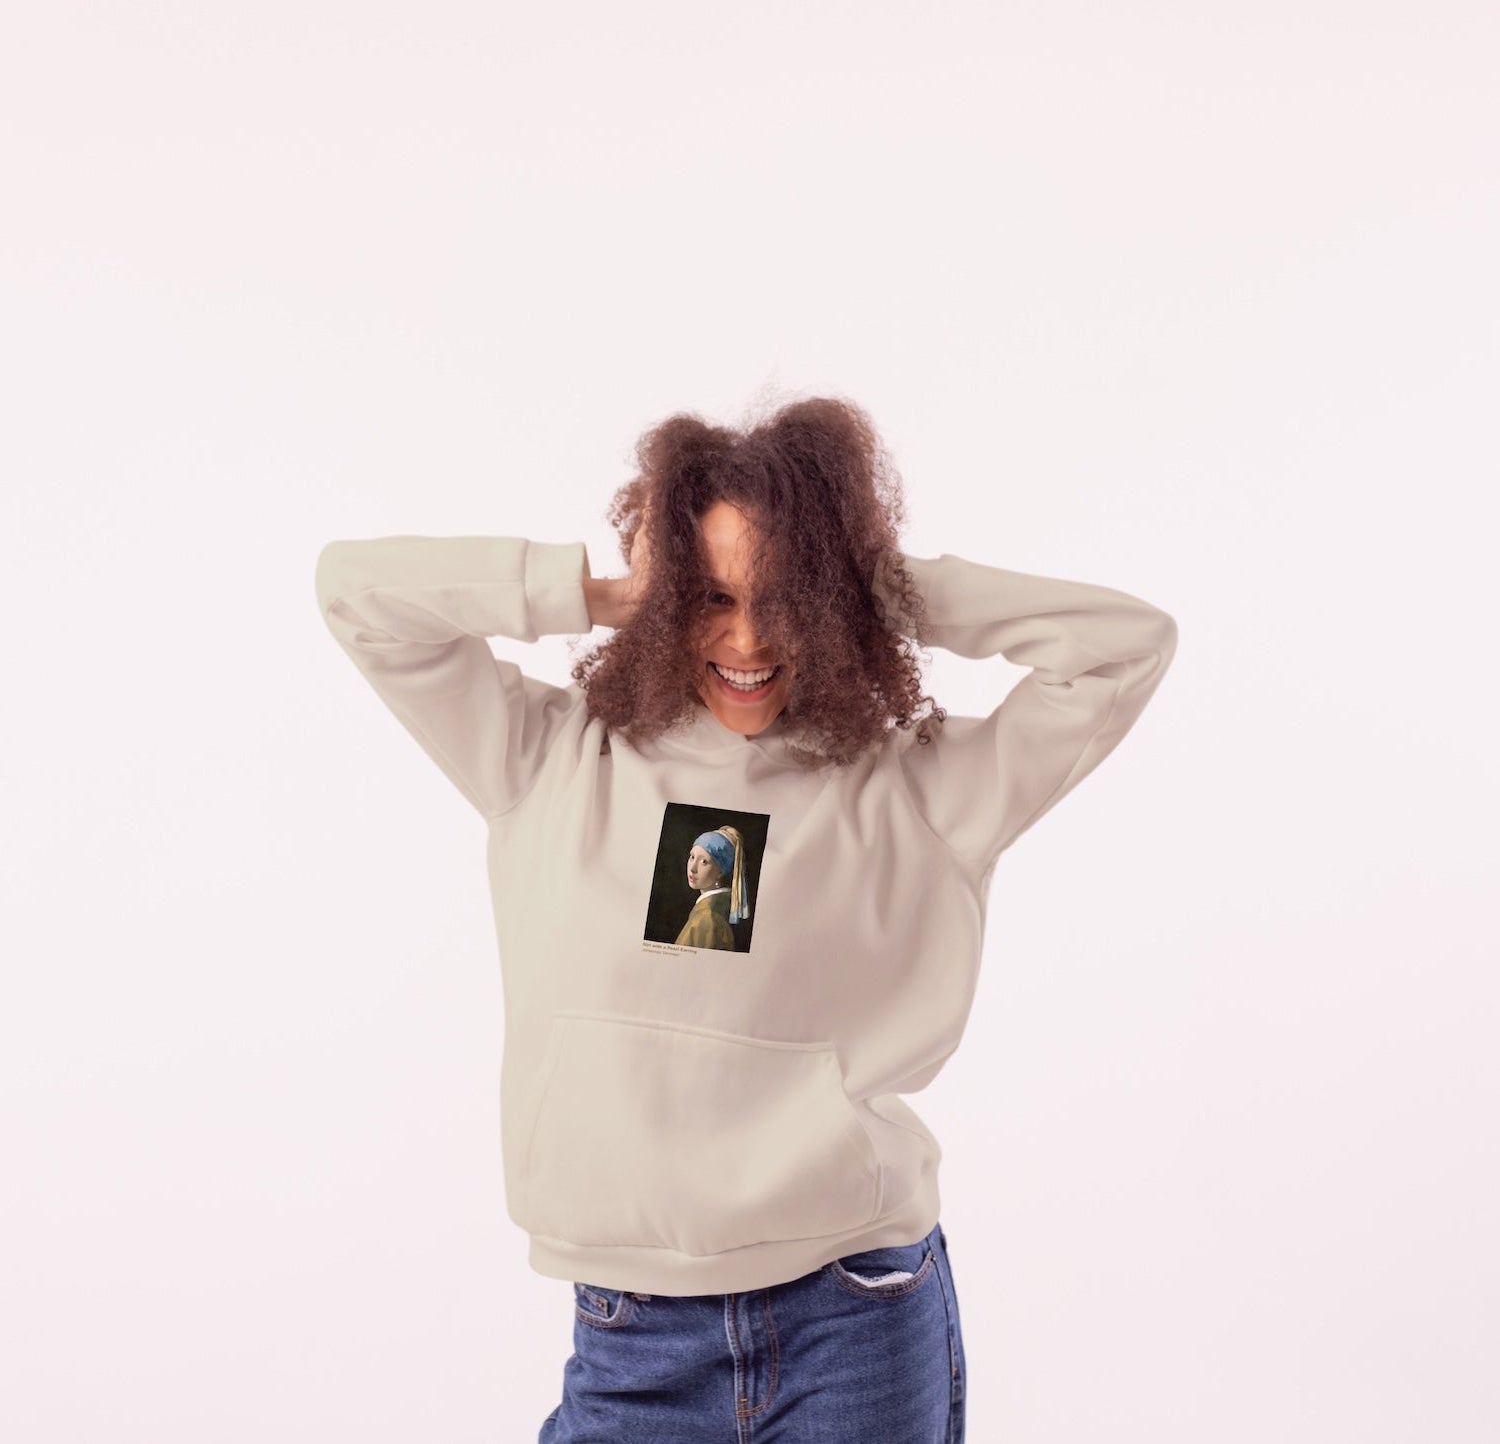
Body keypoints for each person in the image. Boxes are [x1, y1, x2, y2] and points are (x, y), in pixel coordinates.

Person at [313, 395, 1178, 1442]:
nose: (751, 638)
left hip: (853, 1316)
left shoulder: (919, 790)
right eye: (711, 597)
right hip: (631, 1336)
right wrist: (596, 592)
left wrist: (883, 588)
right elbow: (355, 595)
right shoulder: (547, 759)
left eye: (788, 597)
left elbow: (1126, 647)